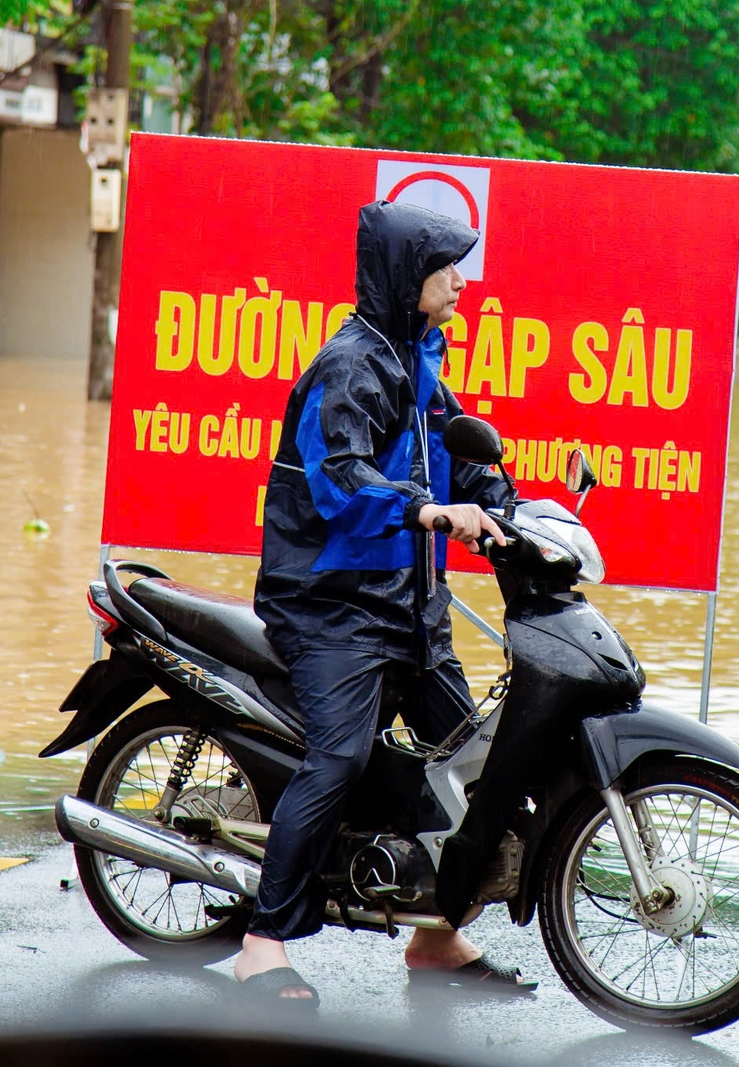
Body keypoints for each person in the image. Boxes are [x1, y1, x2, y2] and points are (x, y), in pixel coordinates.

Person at [230, 200, 529, 1002]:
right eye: (446, 269)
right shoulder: (351, 364)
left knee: (470, 759)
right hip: (331, 604)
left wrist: (509, 503)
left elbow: (457, 451)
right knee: (342, 756)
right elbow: (340, 480)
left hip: (409, 608)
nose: (460, 284)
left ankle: (436, 936)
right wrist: (425, 509)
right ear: (408, 278)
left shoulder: (418, 357)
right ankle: (261, 943)